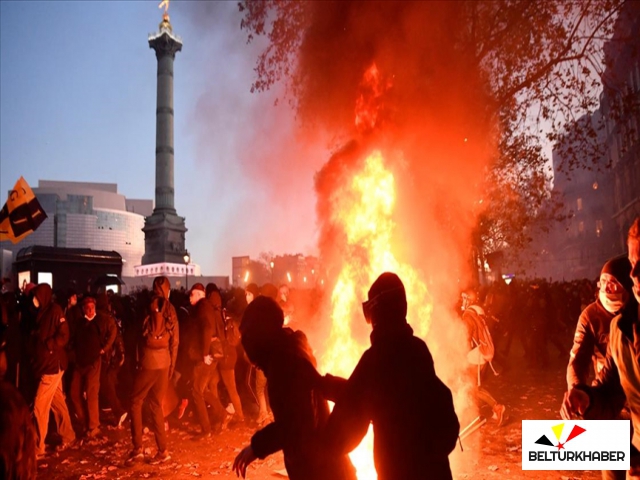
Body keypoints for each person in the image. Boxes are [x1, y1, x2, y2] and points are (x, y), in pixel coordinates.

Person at [321, 272, 460, 480]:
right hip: (435, 471)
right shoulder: (418, 349)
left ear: (377, 312)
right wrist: (329, 385)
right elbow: (368, 392)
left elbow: (351, 414)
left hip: (397, 472)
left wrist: (320, 445)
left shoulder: (375, 359)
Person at [232, 296, 356, 480]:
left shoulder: (284, 364)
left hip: (320, 470)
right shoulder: (291, 349)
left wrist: (257, 447)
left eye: (248, 338)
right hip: (324, 464)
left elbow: (295, 424)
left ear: (260, 337)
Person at [561, 217, 640, 478]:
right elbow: (607, 387)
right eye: (632, 264)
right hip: (616, 416)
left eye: (613, 283)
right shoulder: (619, 329)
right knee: (612, 471)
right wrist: (583, 396)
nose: (635, 274)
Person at [126, 276, 179, 465]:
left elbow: (137, 336)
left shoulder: (146, 305)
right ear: (167, 290)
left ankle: (137, 448)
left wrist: (137, 361)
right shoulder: (171, 309)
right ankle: (163, 451)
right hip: (164, 362)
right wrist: (171, 366)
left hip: (149, 361)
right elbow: (175, 341)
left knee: (135, 401)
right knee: (156, 404)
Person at [567, 255, 633, 389]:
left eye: (613, 282)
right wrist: (577, 388)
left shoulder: (635, 311)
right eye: (603, 281)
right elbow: (578, 361)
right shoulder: (590, 316)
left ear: (626, 285)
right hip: (608, 391)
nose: (607, 288)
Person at [29, 283, 76, 456]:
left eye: (37, 296)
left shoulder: (55, 311)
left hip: (52, 367)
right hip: (48, 365)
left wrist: (50, 345)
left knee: (39, 406)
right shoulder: (42, 312)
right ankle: (69, 435)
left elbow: (64, 334)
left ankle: (37, 446)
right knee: (57, 403)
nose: (34, 300)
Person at [69, 295, 116, 437]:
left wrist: (105, 348)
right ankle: (84, 422)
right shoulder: (79, 322)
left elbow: (113, 330)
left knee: (91, 393)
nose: (90, 310)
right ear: (83, 309)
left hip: (94, 362)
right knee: (74, 393)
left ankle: (94, 426)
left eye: (92, 308)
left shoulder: (100, 321)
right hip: (79, 363)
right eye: (87, 308)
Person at [461, 290, 507, 427]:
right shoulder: (478, 313)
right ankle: (473, 413)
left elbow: (466, 338)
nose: (462, 301)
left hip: (475, 355)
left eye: (464, 298)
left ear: (469, 300)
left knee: (473, 387)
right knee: (472, 386)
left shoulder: (468, 316)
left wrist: (460, 352)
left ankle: (498, 408)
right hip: (481, 354)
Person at [188, 283, 229, 439]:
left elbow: (206, 329)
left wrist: (204, 354)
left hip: (206, 356)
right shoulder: (207, 307)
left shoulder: (202, 307)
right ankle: (222, 414)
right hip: (210, 354)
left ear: (199, 294)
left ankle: (206, 430)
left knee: (197, 390)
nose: (190, 297)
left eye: (192, 294)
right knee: (202, 389)